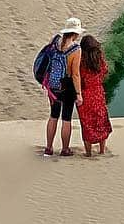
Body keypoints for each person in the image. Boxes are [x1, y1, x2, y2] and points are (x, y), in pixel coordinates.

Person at [43, 17, 84, 157]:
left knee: (53, 116)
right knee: (66, 118)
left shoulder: (55, 41)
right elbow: (75, 74)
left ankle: (48, 148)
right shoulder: (76, 49)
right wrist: (78, 94)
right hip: (66, 87)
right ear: (75, 33)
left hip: (52, 86)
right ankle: (65, 149)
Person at [77, 34, 113, 157]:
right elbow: (105, 70)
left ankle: (88, 153)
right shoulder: (99, 57)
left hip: (85, 94)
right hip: (98, 93)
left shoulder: (81, 60)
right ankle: (102, 150)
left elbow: (77, 76)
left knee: (86, 124)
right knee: (101, 121)